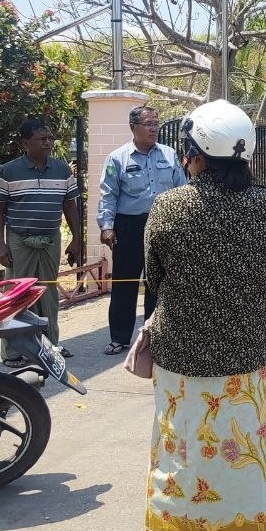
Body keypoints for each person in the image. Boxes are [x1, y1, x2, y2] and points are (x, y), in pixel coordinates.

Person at [131, 99, 266, 531]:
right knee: (227, 451)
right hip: (243, 352)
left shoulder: (169, 206)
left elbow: (154, 279)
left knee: (172, 447)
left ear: (195, 156)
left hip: (179, 351)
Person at [0, 117, 82, 366]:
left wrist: (77, 239)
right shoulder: (8, 171)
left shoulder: (62, 170)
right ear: (25, 143)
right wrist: (1, 245)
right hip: (19, 241)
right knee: (18, 295)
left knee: (48, 293)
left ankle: (50, 345)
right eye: (42, 139)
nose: (48, 143)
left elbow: (70, 205)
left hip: (50, 239)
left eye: (50, 138)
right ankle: (13, 352)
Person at [97, 104, 186, 356]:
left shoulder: (168, 154)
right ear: (133, 127)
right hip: (129, 226)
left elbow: (182, 189)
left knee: (158, 282)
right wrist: (107, 226)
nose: (154, 129)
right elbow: (108, 195)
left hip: (164, 225)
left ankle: (155, 335)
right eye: (148, 124)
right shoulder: (118, 158)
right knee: (124, 282)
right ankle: (119, 337)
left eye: (156, 124)